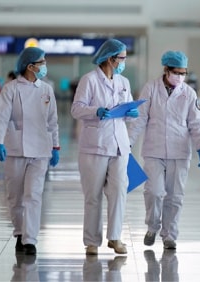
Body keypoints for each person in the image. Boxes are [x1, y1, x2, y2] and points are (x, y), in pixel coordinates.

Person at [127, 50, 200, 250]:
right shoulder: (151, 88)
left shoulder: (189, 93)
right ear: (166, 70)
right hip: (154, 150)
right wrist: (127, 142)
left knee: (175, 196)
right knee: (154, 192)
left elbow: (196, 123)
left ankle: (169, 234)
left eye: (183, 73)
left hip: (179, 152)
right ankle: (152, 227)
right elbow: (140, 119)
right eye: (176, 72)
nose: (179, 77)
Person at [71, 38, 138, 256]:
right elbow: (76, 109)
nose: (124, 62)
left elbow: (125, 110)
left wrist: (131, 113)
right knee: (93, 196)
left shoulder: (123, 82)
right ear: (110, 59)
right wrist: (95, 111)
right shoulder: (89, 80)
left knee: (119, 192)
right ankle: (91, 241)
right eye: (122, 58)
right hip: (95, 146)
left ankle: (115, 238)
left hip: (120, 146)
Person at [0, 47, 60, 256]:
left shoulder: (47, 89)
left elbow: (53, 121)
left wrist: (55, 146)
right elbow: (1, 117)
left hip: (41, 150)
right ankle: (20, 232)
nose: (44, 66)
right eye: (42, 62)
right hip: (15, 149)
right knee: (15, 197)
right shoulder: (11, 88)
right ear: (30, 66)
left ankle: (30, 240)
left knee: (34, 195)